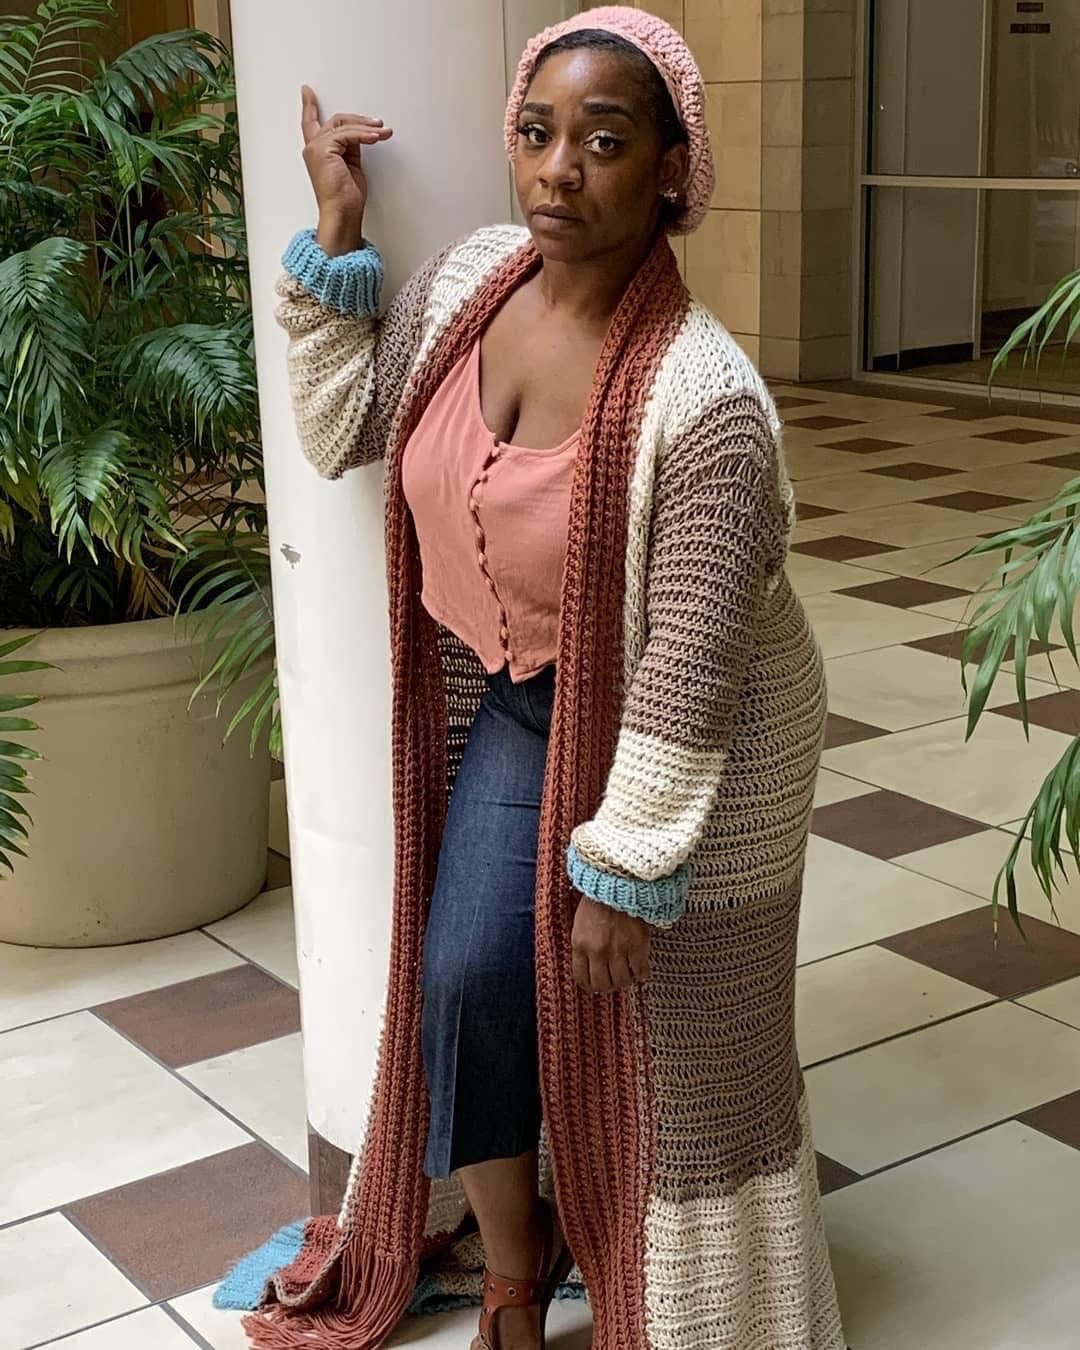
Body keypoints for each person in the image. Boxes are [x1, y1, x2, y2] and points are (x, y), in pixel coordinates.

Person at [244, 8, 844, 1350]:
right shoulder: (469, 286)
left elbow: (692, 663)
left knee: (685, 1054)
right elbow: (341, 427)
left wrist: (624, 871)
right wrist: (336, 236)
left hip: (712, 740)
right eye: (537, 132)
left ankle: (706, 1299)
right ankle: (517, 1272)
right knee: (467, 975)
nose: (560, 168)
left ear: (672, 173)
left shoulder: (706, 396)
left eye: (605, 141)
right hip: (533, 696)